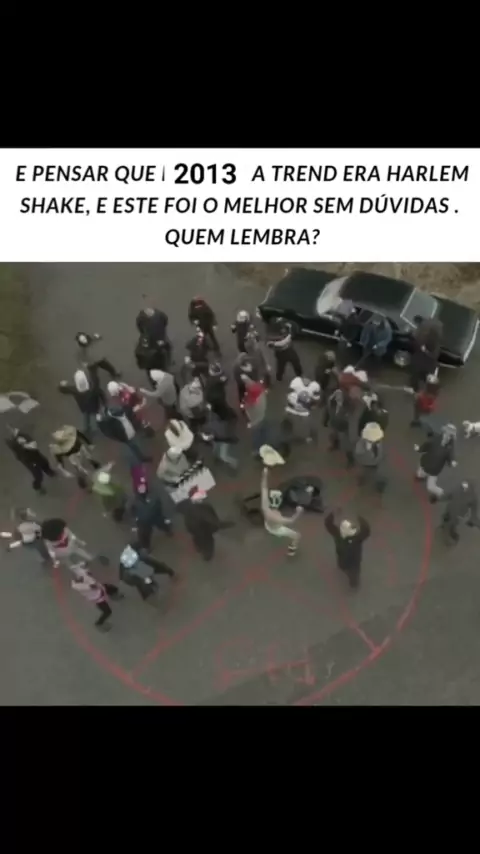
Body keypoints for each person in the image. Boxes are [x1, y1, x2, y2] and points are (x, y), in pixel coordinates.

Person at [182, 486, 233, 561]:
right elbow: (213, 521)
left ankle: (198, 548)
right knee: (208, 543)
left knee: (197, 539)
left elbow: (187, 521)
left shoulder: (188, 508)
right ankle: (207, 556)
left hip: (194, 530)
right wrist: (226, 524)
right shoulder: (204, 508)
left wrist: (190, 529)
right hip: (205, 530)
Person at [260, 467, 302, 557]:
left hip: (268, 524)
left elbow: (264, 488)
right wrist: (298, 512)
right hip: (276, 529)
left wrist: (265, 475)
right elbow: (291, 520)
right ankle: (291, 550)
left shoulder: (265, 507)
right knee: (297, 536)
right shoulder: (278, 518)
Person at [325, 510, 371, 589]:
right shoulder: (338, 535)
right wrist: (333, 514)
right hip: (343, 559)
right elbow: (328, 524)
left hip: (353, 563)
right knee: (343, 567)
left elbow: (366, 531)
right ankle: (351, 580)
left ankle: (353, 584)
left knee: (353, 578)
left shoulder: (356, 538)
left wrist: (361, 520)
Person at [71, 565, 123, 632]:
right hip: (97, 597)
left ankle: (113, 595)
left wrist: (87, 571)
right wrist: (89, 577)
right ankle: (99, 623)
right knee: (107, 612)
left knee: (113, 588)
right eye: (79, 578)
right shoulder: (77, 586)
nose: (81, 578)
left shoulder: (80, 573)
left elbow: (87, 572)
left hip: (101, 588)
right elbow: (93, 586)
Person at [40, 518, 106, 570]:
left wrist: (79, 541)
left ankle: (90, 559)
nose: (64, 532)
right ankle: (77, 570)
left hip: (73, 546)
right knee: (68, 563)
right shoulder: (49, 542)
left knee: (82, 552)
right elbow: (51, 551)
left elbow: (72, 535)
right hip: (62, 554)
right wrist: (54, 560)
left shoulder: (64, 529)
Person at [414, 423, 457, 502]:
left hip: (434, 470)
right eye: (447, 434)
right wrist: (419, 449)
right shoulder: (435, 439)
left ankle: (441, 493)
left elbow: (451, 456)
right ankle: (420, 477)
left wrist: (452, 462)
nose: (448, 437)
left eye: (450, 436)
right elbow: (426, 445)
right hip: (425, 463)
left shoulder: (449, 448)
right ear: (444, 432)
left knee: (430, 487)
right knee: (420, 473)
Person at [58, 367, 105, 440]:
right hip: (94, 408)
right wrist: (104, 403)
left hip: (84, 408)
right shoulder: (93, 388)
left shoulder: (74, 390)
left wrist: (62, 385)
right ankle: (95, 428)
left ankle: (86, 431)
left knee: (86, 418)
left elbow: (62, 390)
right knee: (94, 419)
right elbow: (100, 392)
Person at [5, 428, 56, 494]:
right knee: (38, 476)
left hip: (36, 456)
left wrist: (19, 435)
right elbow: (17, 451)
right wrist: (20, 444)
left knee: (45, 464)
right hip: (30, 462)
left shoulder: (25, 438)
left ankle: (49, 472)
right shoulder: (17, 447)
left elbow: (32, 443)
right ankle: (37, 487)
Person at [131, 477, 173, 551]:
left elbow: (133, 511)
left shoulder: (136, 502)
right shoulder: (153, 498)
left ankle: (147, 547)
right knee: (160, 525)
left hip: (146, 521)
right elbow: (159, 507)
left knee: (145, 535)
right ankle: (168, 531)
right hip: (151, 519)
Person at [408, 316, 443, 391]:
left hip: (423, 363)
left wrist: (425, 350)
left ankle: (416, 387)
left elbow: (433, 355)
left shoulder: (432, 344)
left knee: (417, 375)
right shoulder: (434, 341)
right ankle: (418, 386)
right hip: (425, 363)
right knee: (420, 375)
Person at [440, 480, 480, 544]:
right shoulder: (459, 491)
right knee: (449, 524)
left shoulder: (472, 498)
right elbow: (447, 495)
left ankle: (449, 530)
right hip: (453, 511)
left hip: (457, 513)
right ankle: (447, 537)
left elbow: (474, 512)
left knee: (453, 523)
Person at [325, 388, 356, 468]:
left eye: (339, 395)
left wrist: (347, 417)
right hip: (334, 422)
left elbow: (352, 411)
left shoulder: (347, 404)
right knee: (333, 435)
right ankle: (335, 445)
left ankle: (351, 460)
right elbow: (327, 412)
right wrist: (325, 421)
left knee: (346, 444)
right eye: (336, 395)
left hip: (343, 425)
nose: (338, 397)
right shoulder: (332, 403)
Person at [136, 300, 172, 365]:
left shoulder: (141, 317)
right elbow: (165, 321)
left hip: (150, 340)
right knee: (167, 347)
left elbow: (140, 327)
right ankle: (168, 361)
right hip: (157, 339)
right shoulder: (159, 314)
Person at [354, 422, 387, 493]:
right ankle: (361, 479)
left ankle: (380, 485)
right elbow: (358, 454)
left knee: (380, 474)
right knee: (362, 472)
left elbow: (382, 451)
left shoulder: (380, 442)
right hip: (365, 463)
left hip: (378, 462)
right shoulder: (360, 444)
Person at [242, 375, 268, 452]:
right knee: (260, 428)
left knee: (255, 433)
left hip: (256, 420)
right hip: (261, 416)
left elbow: (248, 407)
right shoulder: (259, 391)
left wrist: (244, 405)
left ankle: (256, 449)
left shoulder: (253, 402)